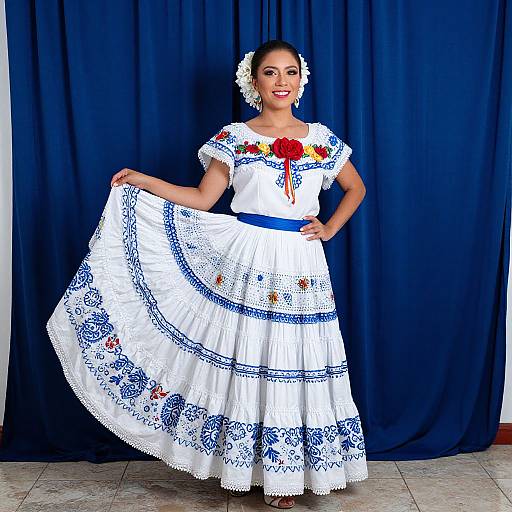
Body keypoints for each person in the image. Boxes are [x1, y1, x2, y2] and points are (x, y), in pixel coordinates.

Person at [47, 39, 368, 509]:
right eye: (271, 72)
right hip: (248, 256)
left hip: (300, 260)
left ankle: (290, 476)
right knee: (249, 353)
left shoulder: (320, 139)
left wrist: (331, 227)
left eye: (290, 71)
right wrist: (143, 180)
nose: (282, 80)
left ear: (301, 80)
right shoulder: (234, 138)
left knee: (293, 358)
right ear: (253, 82)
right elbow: (201, 197)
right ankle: (247, 467)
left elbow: (355, 187)